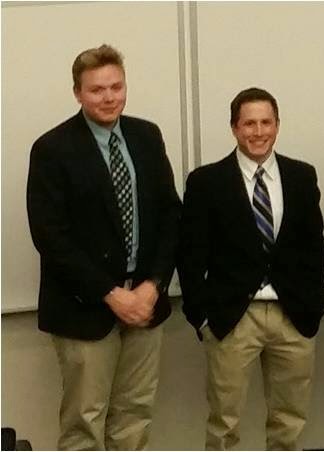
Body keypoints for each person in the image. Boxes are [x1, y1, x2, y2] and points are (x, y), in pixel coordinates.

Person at [26, 43, 181, 450]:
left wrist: (153, 286)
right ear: (78, 93)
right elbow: (50, 235)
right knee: (85, 422)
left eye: (117, 87)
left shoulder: (146, 136)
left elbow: (170, 215)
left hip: (145, 305)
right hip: (84, 308)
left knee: (135, 416)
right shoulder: (52, 149)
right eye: (97, 89)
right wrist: (111, 294)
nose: (109, 97)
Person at [177, 87, 324, 450]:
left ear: (277, 125)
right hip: (232, 318)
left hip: (292, 315)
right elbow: (190, 255)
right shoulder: (206, 182)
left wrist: (313, 304)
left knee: (289, 420)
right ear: (234, 128)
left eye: (266, 123)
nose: (258, 132)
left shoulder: (301, 176)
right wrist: (202, 317)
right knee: (224, 423)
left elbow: (314, 246)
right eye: (249, 124)